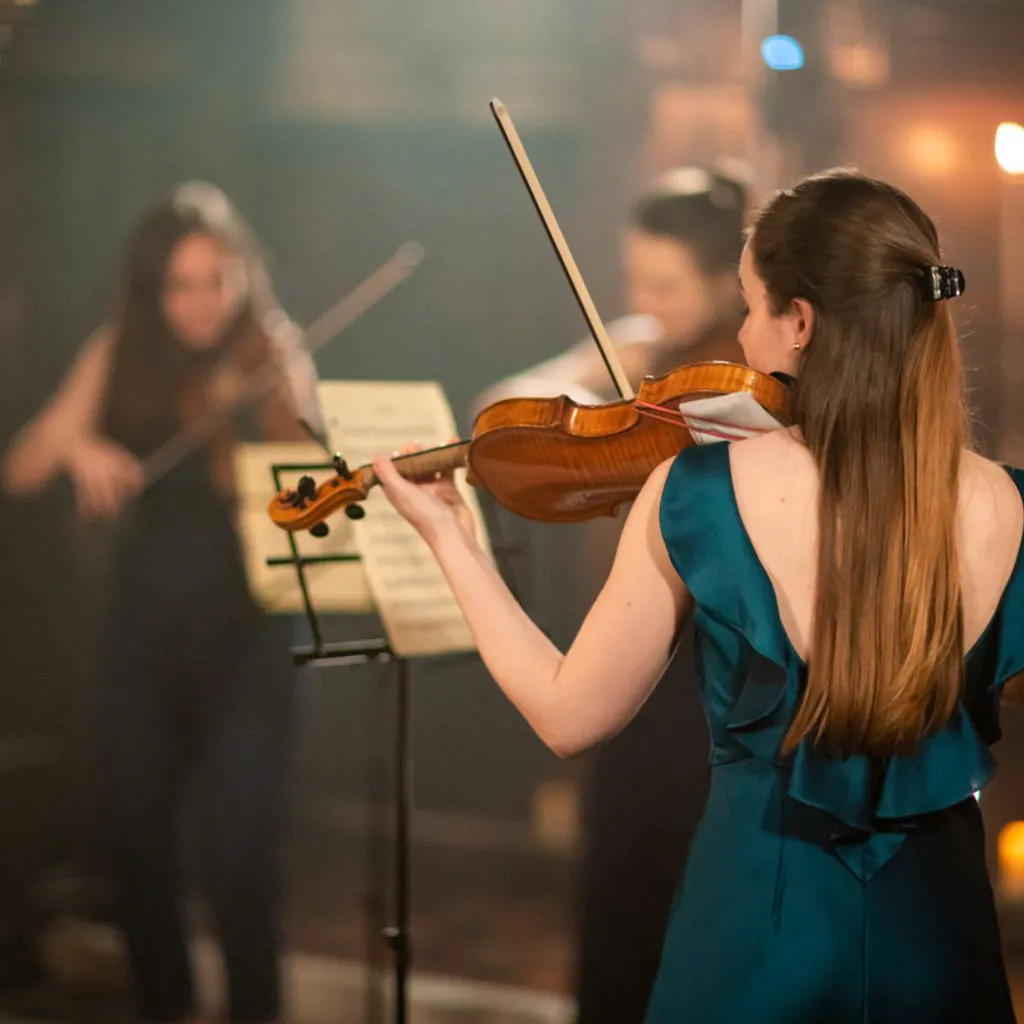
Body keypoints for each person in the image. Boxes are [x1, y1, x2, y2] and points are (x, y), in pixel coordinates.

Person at [375, 168, 1023, 1022]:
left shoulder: (698, 489)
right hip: (943, 948)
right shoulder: (1009, 504)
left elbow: (568, 717)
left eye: (752, 307)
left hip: (753, 939)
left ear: (801, 323)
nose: (741, 338)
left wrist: (452, 542)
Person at [2, 182, 321, 1024]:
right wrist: (82, 446)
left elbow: (308, 486)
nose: (203, 304)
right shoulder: (123, 349)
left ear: (246, 277)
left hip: (252, 637)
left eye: (219, 280)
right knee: (137, 843)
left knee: (239, 856)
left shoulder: (274, 351)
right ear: (152, 291)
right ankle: (166, 1006)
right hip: (143, 636)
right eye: (181, 285)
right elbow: (23, 465)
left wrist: (261, 405)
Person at [473, 163, 750, 1021]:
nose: (645, 299)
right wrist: (606, 368)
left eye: (664, 285)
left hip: (724, 662)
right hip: (640, 652)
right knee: (620, 884)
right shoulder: (643, 354)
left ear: (723, 282)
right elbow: (499, 407)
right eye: (635, 279)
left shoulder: (745, 379)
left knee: (687, 886)